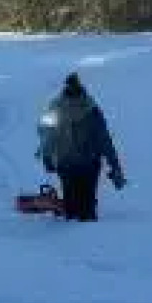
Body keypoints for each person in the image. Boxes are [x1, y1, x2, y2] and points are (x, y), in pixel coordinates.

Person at [35, 72, 126, 221]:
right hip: (89, 163)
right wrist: (115, 167)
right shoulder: (92, 109)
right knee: (87, 206)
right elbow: (104, 140)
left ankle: (72, 227)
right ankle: (87, 223)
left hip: (66, 163)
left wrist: (47, 157)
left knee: (71, 206)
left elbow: (46, 133)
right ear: (81, 89)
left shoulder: (55, 106)